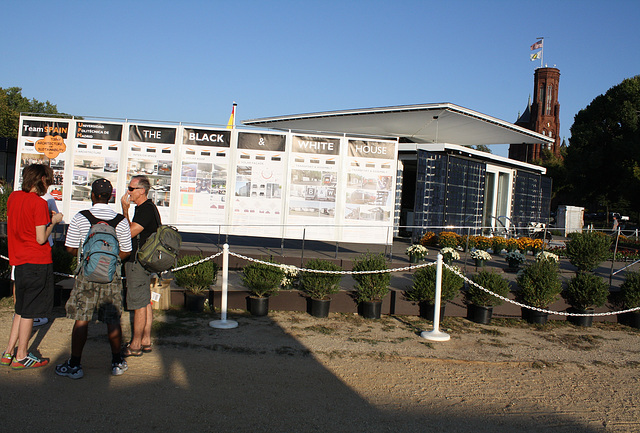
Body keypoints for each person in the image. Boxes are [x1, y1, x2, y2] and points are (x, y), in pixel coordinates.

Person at [55, 179, 132, 378]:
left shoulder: (81, 218)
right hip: (111, 277)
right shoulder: (120, 221)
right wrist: (110, 263)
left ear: (92, 194)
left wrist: (87, 260)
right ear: (110, 197)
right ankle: (116, 362)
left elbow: (70, 248)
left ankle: (75, 364)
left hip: (86, 276)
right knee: (112, 320)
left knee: (82, 319)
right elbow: (126, 250)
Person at [1, 164, 63, 369]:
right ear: (42, 180)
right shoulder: (38, 204)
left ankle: (8, 351)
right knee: (29, 311)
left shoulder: (13, 198)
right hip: (36, 261)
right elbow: (40, 238)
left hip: (19, 260)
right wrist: (53, 221)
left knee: (20, 309)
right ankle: (21, 355)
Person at [121, 175, 159, 357]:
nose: (128, 192)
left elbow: (127, 233)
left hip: (138, 262)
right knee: (144, 301)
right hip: (145, 261)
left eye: (131, 188)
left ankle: (135, 344)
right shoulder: (147, 208)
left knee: (138, 303)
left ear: (141, 191)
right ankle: (145, 340)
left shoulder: (145, 210)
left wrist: (124, 210)